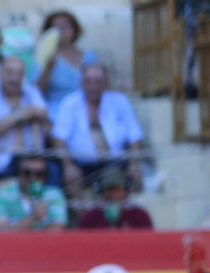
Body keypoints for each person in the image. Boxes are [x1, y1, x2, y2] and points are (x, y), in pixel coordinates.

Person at [53, 63, 145, 197]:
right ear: (82, 83)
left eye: (98, 82)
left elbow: (135, 136)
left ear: (106, 83)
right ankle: (86, 218)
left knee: (133, 177)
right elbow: (59, 138)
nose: (93, 86)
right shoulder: (70, 103)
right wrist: (68, 165)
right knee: (70, 177)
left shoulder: (120, 101)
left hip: (114, 162)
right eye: (88, 81)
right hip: (81, 163)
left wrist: (134, 164)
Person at [0, 56, 49, 185]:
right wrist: (19, 115)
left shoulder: (31, 92)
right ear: (0, 73)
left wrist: (30, 113)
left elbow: (45, 117)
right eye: (9, 72)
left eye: (18, 74)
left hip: (32, 160)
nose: (14, 78)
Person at [37, 9, 96, 121]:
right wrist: (48, 69)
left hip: (86, 111)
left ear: (75, 29)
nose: (62, 30)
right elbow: (37, 93)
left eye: (66, 26)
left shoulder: (90, 57)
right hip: (56, 114)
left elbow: (101, 86)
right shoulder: (44, 58)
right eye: (56, 27)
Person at [0, 153, 66, 232]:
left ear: (46, 176)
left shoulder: (54, 194)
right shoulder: (1, 194)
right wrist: (32, 218)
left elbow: (57, 230)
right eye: (27, 173)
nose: (33, 178)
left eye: (39, 174)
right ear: (18, 174)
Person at [76, 171, 153, 230]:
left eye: (117, 190)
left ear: (125, 191)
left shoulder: (139, 215)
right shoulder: (90, 216)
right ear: (102, 192)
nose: (112, 195)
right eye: (109, 190)